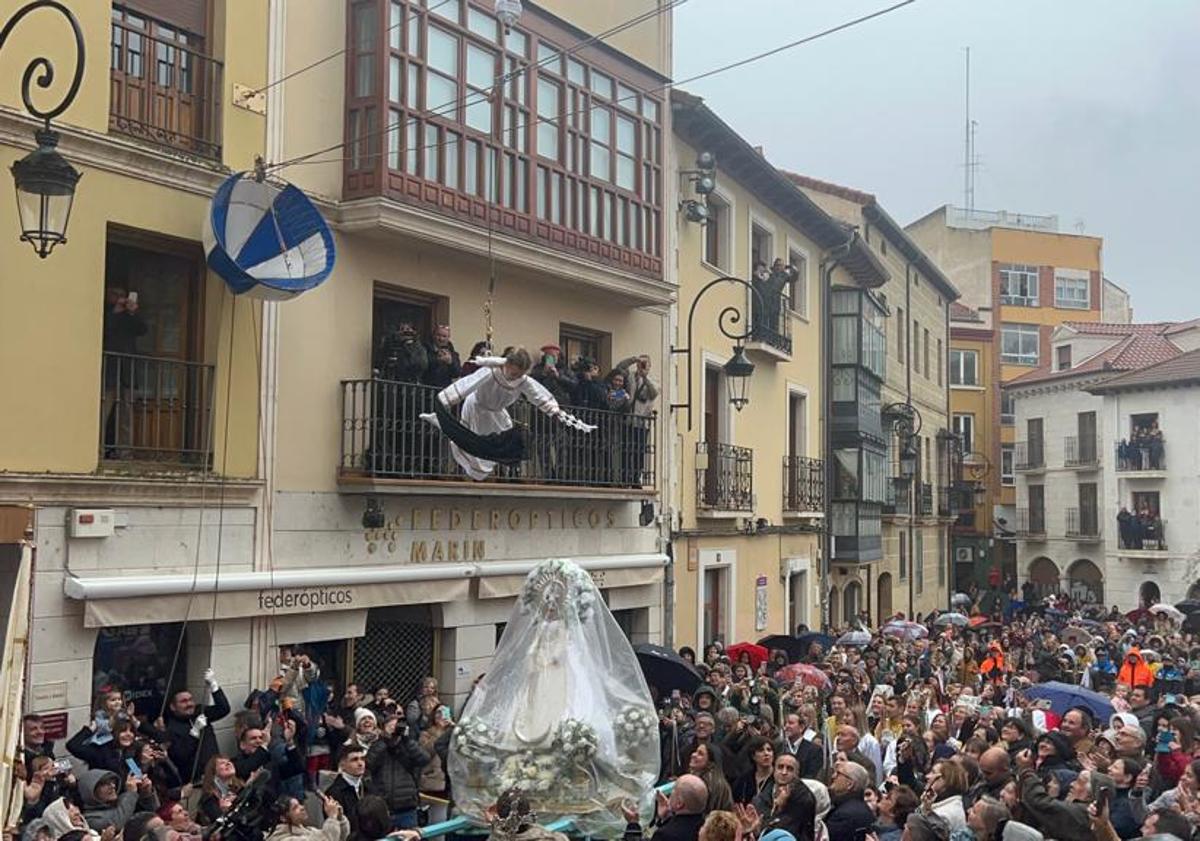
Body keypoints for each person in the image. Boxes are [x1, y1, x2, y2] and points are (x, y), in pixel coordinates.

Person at [420, 347, 596, 480]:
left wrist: (560, 414)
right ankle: (442, 423)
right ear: (508, 365)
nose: (515, 377)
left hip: (497, 413)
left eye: (520, 374)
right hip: (477, 407)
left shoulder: (523, 380)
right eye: (513, 373)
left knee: (507, 441)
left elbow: (539, 396)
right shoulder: (490, 371)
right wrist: (444, 402)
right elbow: (467, 384)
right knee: (468, 441)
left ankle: (508, 470)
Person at [101, 286, 147, 456]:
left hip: (127, 372)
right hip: (109, 371)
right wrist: (115, 311)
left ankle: (124, 452)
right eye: (116, 295)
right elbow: (104, 331)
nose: (120, 298)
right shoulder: (105, 312)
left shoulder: (129, 317)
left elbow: (143, 329)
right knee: (103, 412)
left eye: (123, 295)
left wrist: (133, 312)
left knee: (125, 415)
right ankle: (97, 449)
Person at [164, 670, 230, 784]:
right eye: (183, 701)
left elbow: (223, 709)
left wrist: (213, 685)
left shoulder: (200, 712)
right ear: (173, 707)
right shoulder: (171, 727)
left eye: (190, 700)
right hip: (195, 782)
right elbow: (181, 755)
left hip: (216, 775)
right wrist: (194, 731)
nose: (189, 704)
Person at [365, 715, 429, 829]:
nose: (395, 728)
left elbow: (424, 759)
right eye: (392, 726)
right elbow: (369, 762)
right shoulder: (378, 745)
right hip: (384, 807)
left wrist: (406, 740)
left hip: (407, 806)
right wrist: (385, 740)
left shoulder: (407, 745)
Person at [325, 746, 368, 841]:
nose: (360, 763)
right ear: (342, 765)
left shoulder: (368, 786)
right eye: (354, 760)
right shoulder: (333, 793)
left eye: (362, 759)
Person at [265, 793, 350, 841]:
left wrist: (339, 818)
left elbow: (340, 837)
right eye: (295, 808)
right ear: (283, 818)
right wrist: (332, 817)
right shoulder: (284, 839)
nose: (302, 807)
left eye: (300, 804)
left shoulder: (309, 830)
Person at [824, 761, 874, 841]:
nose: (833, 776)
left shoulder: (843, 815)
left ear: (850, 784)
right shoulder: (864, 808)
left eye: (838, 774)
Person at [650, 775, 708, 841]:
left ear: (679, 804)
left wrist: (635, 827)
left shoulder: (664, 835)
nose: (670, 793)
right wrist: (666, 818)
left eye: (673, 790)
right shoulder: (708, 830)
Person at [197, 755, 243, 826]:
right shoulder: (209, 798)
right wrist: (225, 811)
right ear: (213, 772)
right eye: (222, 763)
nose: (228, 764)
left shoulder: (241, 788)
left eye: (229, 761)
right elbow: (219, 823)